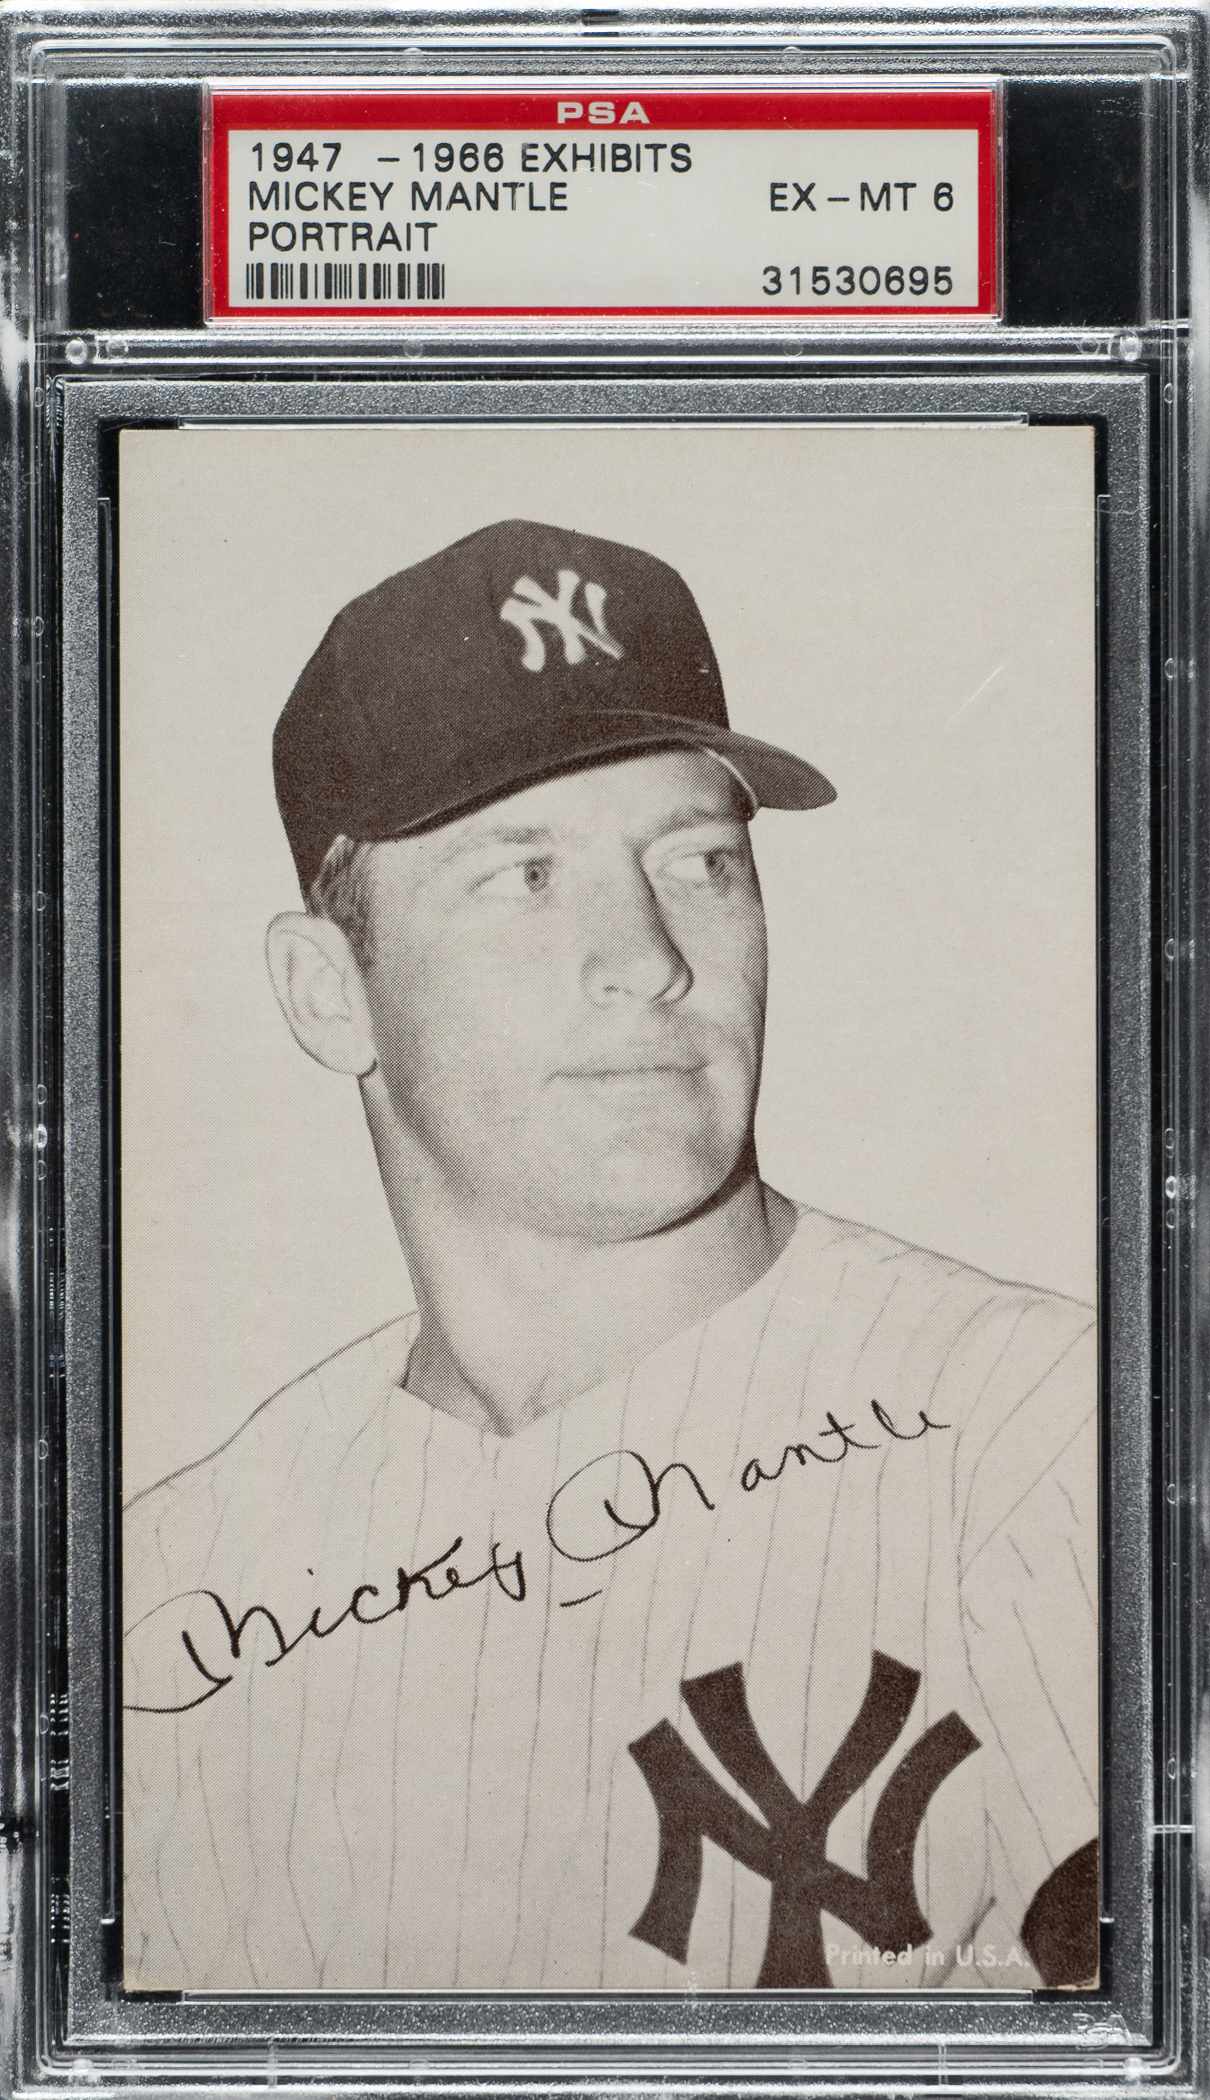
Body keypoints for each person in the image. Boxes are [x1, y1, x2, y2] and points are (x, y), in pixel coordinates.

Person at [123, 519, 1098, 1996]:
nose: (648, 956)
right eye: (524, 875)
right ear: (329, 993)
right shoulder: (165, 1608)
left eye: (700, 862)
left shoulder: (1054, 1440)